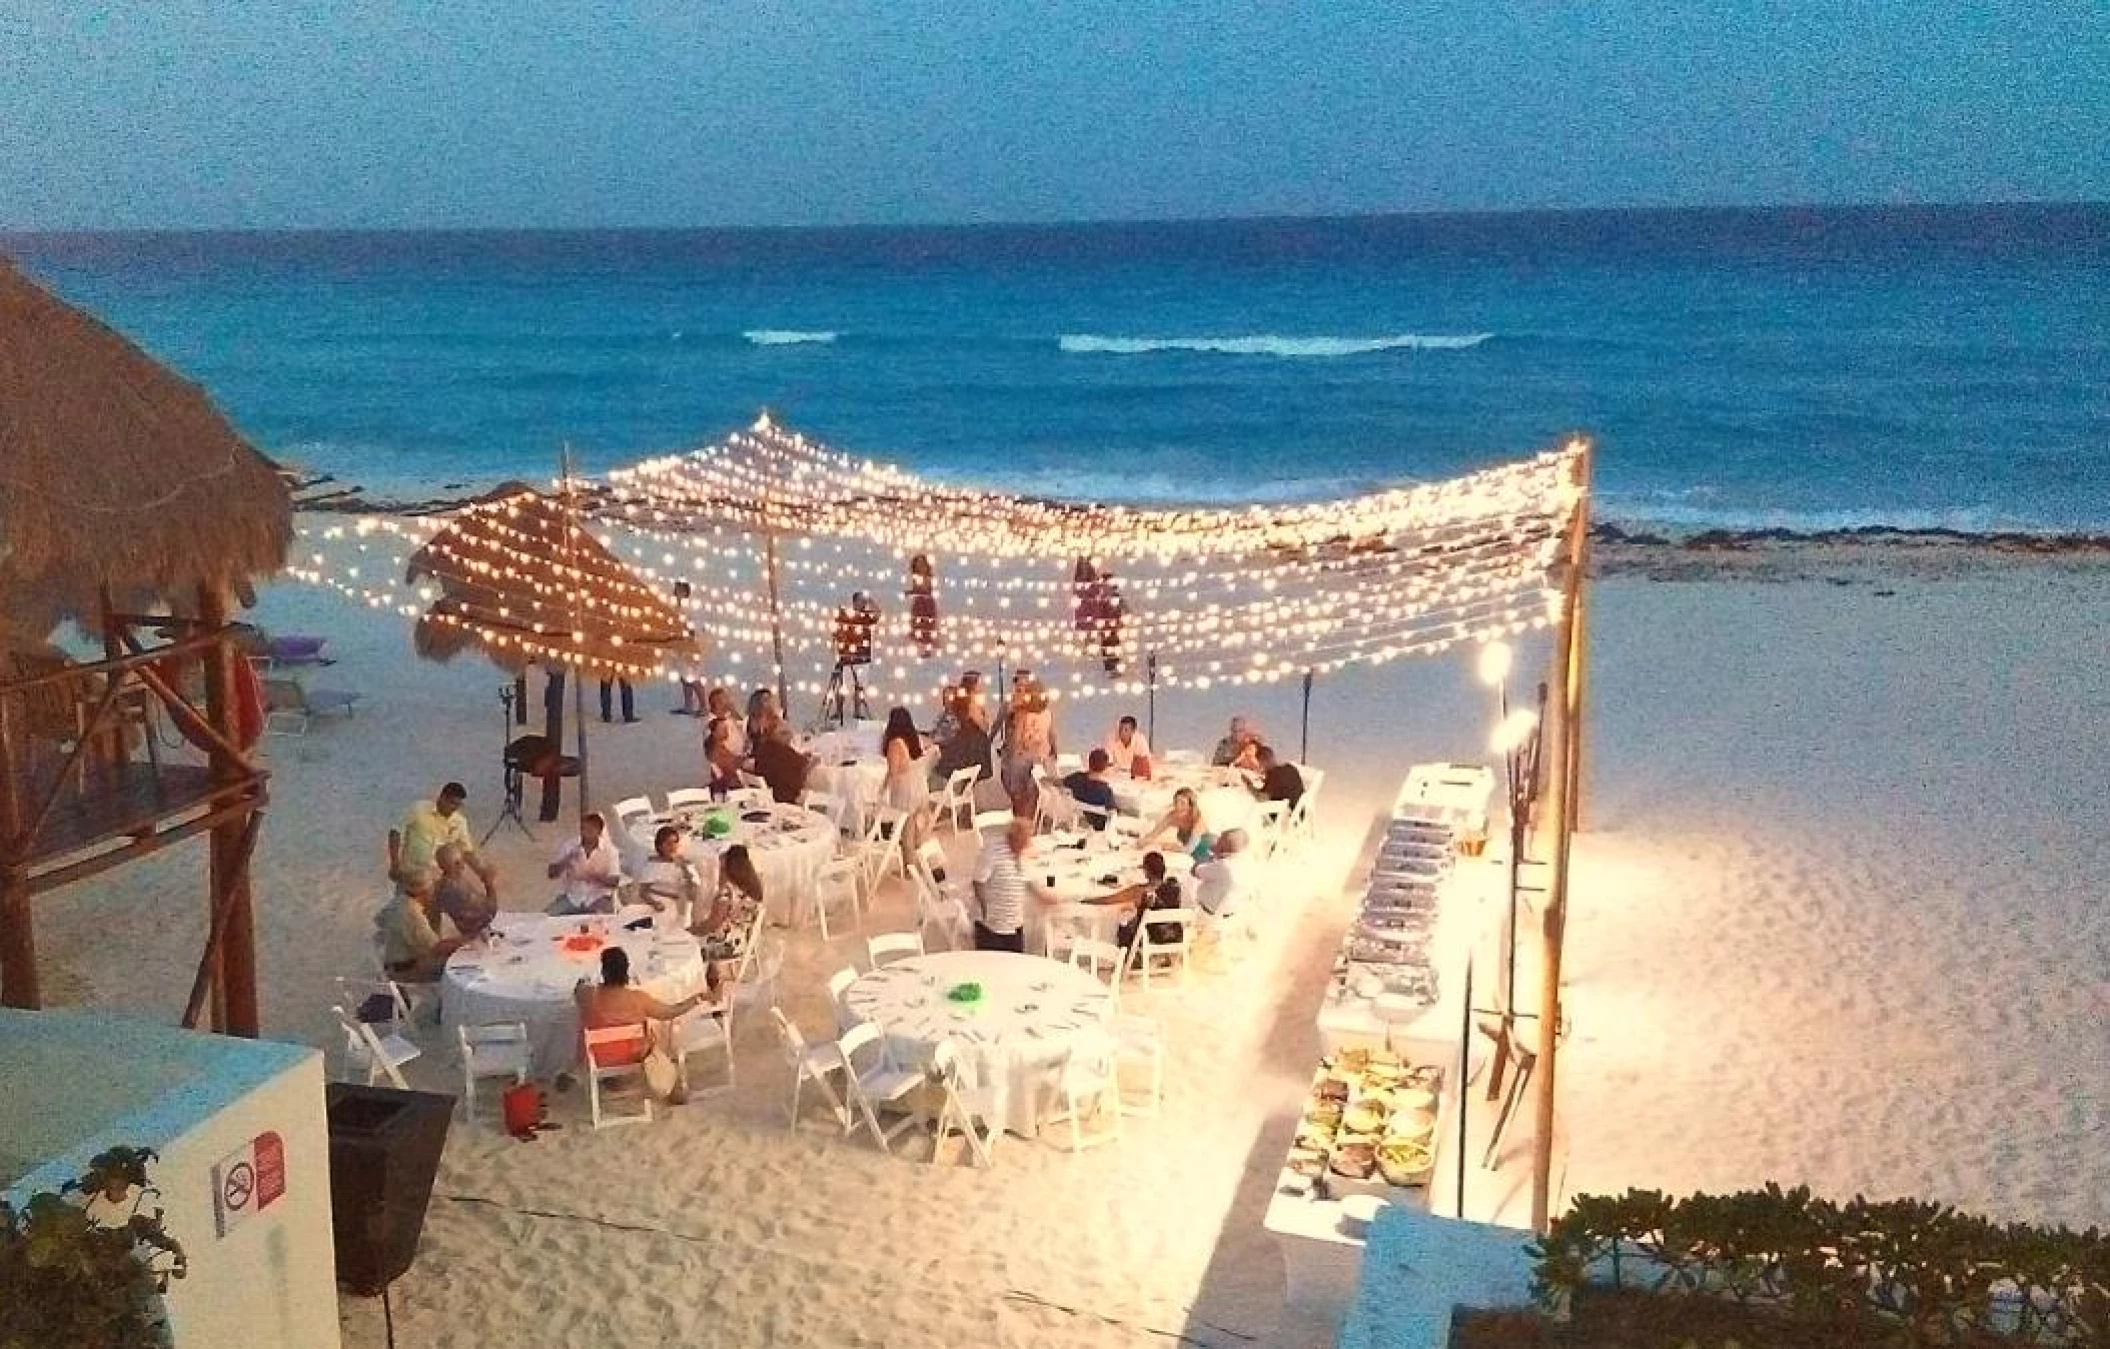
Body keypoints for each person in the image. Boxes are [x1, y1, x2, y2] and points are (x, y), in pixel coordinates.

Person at [573, 947, 710, 1104]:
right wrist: (697, 998)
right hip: (635, 1058)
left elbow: (577, 990)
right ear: (626, 971)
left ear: (604, 971)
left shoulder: (590, 996)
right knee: (658, 1038)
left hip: (600, 1059)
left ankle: (608, 1079)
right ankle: (671, 1091)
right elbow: (670, 1012)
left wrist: (584, 982)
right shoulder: (637, 999)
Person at [388, 782, 501, 902]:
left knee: (432, 912)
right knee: (403, 908)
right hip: (411, 873)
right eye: (452, 803)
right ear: (442, 797)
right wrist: (395, 863)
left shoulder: (459, 822)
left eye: (458, 805)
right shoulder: (418, 809)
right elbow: (396, 832)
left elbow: (467, 852)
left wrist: (482, 872)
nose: (454, 808)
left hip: (437, 878)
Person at [969, 815, 1054, 952]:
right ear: (1013, 838)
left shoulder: (1019, 854)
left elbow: (1026, 880)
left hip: (1013, 922)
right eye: (1024, 841)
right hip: (992, 925)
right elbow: (978, 881)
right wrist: (985, 907)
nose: (1027, 845)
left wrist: (1043, 895)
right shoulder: (992, 851)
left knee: (1015, 962)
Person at [375, 868, 467, 982]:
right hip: (405, 970)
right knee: (456, 968)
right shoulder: (411, 913)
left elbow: (379, 920)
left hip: (393, 964)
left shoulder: (398, 902)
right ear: (425, 891)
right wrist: (466, 941)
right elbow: (437, 948)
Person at [694, 844, 765, 965]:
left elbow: (712, 924)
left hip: (728, 945)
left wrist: (691, 932)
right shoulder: (751, 885)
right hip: (743, 938)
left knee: (686, 947)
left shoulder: (726, 894)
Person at [547, 812, 624, 915]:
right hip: (573, 897)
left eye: (590, 831)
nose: (585, 834)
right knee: (547, 917)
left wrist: (593, 876)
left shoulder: (611, 851)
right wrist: (566, 861)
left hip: (598, 898)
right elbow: (551, 874)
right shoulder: (570, 846)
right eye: (583, 829)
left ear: (599, 832)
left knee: (605, 924)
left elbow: (614, 882)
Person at [1000, 669, 1057, 807]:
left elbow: (1017, 738)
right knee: (1033, 791)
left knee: (1019, 792)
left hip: (1022, 757)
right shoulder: (1046, 713)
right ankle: (1029, 819)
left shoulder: (1022, 714)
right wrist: (1054, 749)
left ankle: (1021, 820)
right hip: (1039, 757)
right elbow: (1051, 734)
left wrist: (1010, 753)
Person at [1114, 850, 1184, 958]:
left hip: (1155, 935)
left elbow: (1139, 916)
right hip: (1175, 934)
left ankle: (1127, 958)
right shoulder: (1175, 886)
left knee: (1123, 925)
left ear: (1147, 871)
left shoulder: (1145, 893)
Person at [1191, 828, 1256, 938]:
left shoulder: (1224, 866)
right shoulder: (1248, 863)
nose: (1216, 841)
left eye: (1219, 840)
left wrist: (1209, 856)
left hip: (1207, 916)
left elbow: (1194, 870)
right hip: (1230, 916)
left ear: (1223, 845)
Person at [931, 674, 993, 788]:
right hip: (972, 747)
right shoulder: (971, 703)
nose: (982, 686)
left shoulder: (961, 702)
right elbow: (984, 726)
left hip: (965, 745)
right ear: (973, 686)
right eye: (980, 683)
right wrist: (983, 711)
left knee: (966, 781)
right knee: (969, 781)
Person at [634, 825, 704, 918]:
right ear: (660, 846)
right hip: (653, 903)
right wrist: (655, 903)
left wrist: (684, 869)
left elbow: (692, 895)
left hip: (676, 904)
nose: (672, 846)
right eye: (668, 843)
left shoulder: (686, 865)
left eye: (675, 842)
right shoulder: (653, 864)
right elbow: (643, 892)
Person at [432, 842, 495, 939]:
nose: (464, 864)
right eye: (462, 861)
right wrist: (489, 884)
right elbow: (489, 910)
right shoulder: (455, 889)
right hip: (471, 930)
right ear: (456, 864)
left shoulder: (445, 883)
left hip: (468, 923)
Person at [753, 714, 814, 804]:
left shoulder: (763, 748)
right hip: (784, 798)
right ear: (773, 734)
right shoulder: (782, 751)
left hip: (768, 796)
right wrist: (814, 761)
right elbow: (803, 766)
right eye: (784, 733)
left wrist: (800, 756)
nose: (789, 736)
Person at [1141, 786, 1214, 859]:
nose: (1178, 806)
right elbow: (1154, 834)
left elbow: (1189, 849)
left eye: (1182, 803)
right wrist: (1144, 841)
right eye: (1176, 802)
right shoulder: (1173, 816)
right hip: (1191, 854)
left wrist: (1168, 846)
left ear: (1190, 806)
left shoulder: (1197, 821)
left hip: (1209, 850)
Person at [671, 582, 706, 715]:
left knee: (693, 677)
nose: (676, 592)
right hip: (679, 646)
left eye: (679, 590)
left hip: (689, 646)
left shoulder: (690, 609)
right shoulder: (676, 607)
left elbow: (693, 627)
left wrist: (691, 644)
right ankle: (688, 705)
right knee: (684, 677)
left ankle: (703, 706)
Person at [1062, 748, 1118, 828]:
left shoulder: (1076, 778)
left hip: (1080, 816)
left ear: (1089, 762)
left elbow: (1060, 783)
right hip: (1099, 825)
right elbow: (1112, 812)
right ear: (1105, 768)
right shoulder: (1105, 791)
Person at [1253, 744, 1306, 810]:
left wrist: (1249, 786)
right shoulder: (1290, 768)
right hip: (1299, 809)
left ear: (1264, 761)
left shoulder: (1274, 775)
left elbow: (1261, 799)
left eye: (1260, 764)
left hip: (1284, 813)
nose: (1260, 767)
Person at [907, 553, 939, 657]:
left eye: (922, 564)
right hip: (919, 604)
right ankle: (922, 649)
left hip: (926, 604)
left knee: (926, 627)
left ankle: (927, 650)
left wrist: (914, 591)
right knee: (919, 626)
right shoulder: (916, 577)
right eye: (918, 565)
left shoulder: (927, 578)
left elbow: (925, 589)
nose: (920, 567)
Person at [706, 686, 746, 761]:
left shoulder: (729, 718)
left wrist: (734, 711)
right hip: (729, 762)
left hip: (740, 756)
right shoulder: (714, 723)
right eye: (722, 700)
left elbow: (743, 724)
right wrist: (736, 759)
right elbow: (717, 747)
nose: (726, 703)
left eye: (726, 699)